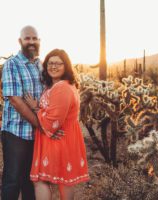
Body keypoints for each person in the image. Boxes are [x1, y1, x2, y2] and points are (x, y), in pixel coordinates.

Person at [24, 49, 90, 200]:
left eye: (58, 63)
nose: (53, 66)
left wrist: (35, 107)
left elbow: (53, 121)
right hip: (62, 138)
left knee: (41, 180)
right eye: (50, 63)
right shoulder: (59, 86)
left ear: (66, 66)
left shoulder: (62, 87)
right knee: (64, 180)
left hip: (56, 138)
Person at [0, 25, 43, 200]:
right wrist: (41, 124)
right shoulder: (12, 64)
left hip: (37, 134)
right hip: (16, 133)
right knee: (12, 179)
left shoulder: (41, 64)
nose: (31, 42)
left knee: (31, 179)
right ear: (20, 41)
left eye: (34, 38)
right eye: (27, 38)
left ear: (39, 41)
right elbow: (16, 100)